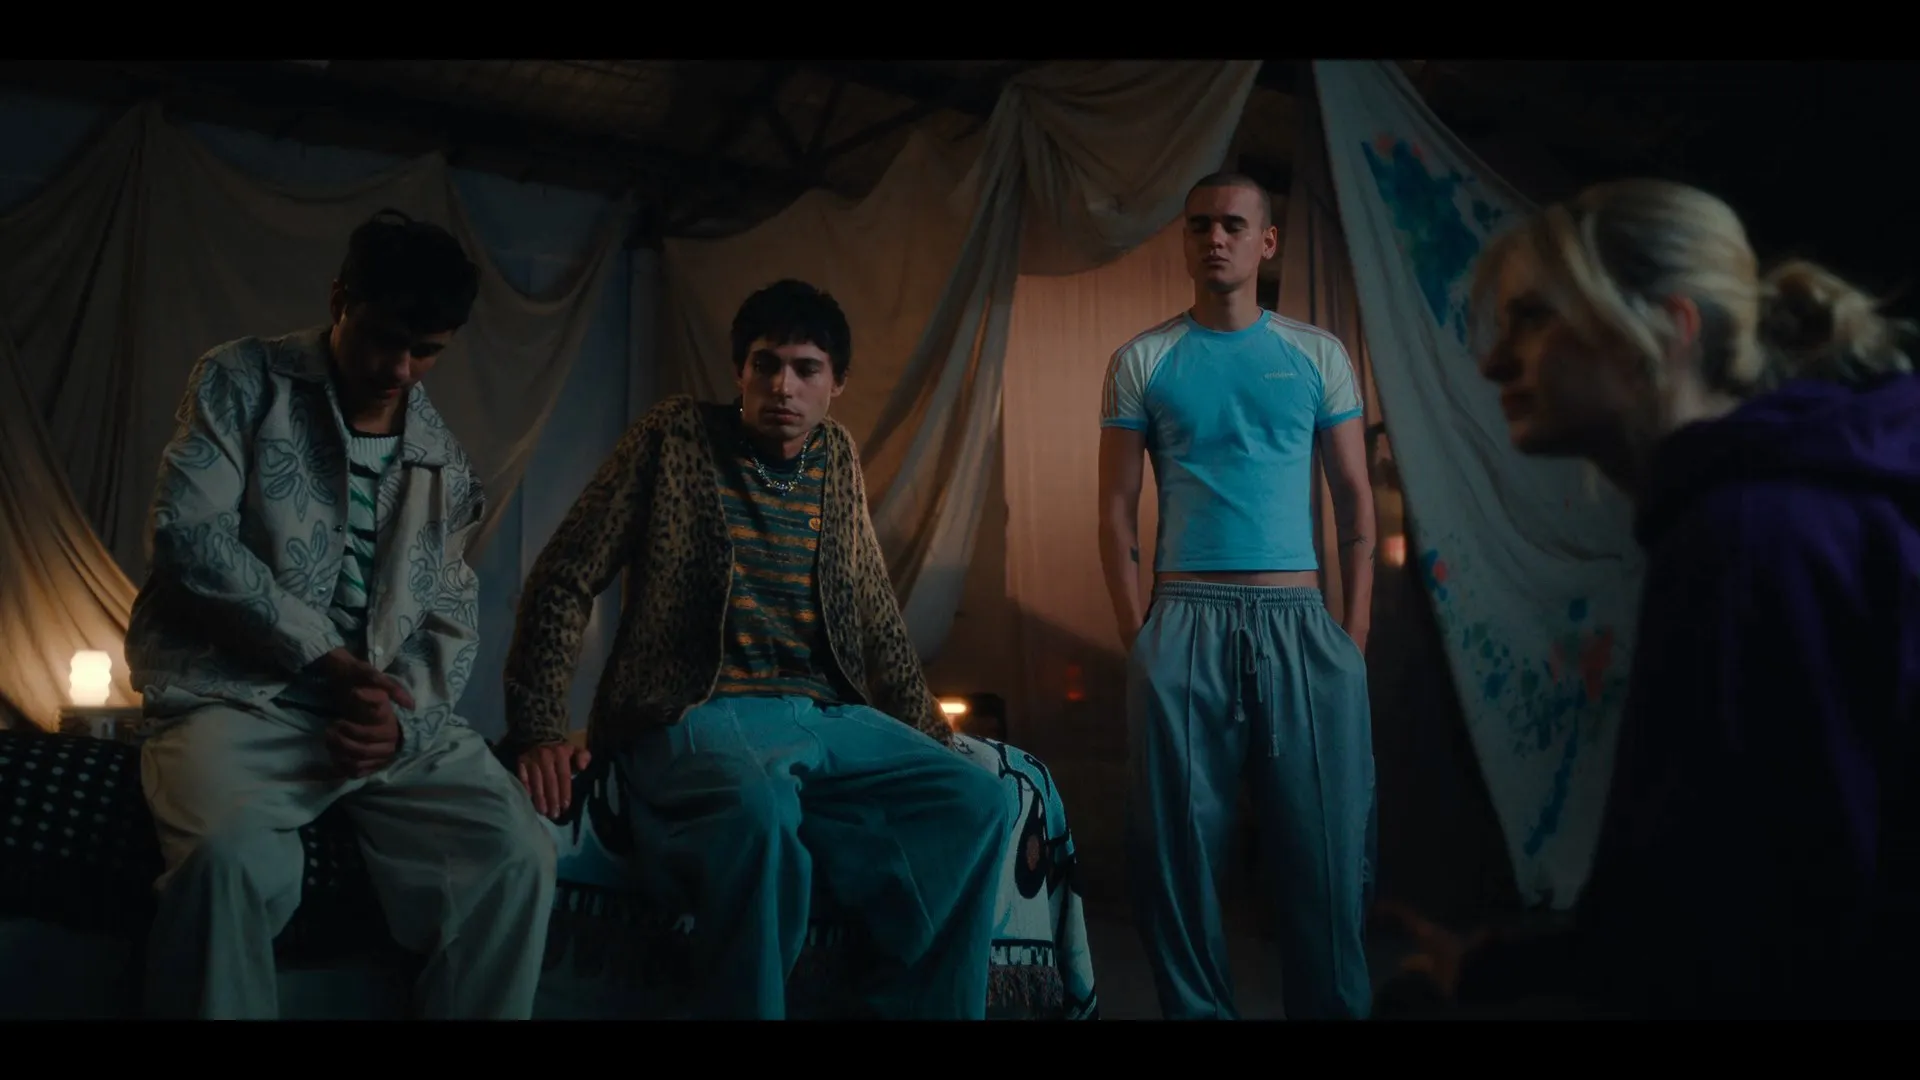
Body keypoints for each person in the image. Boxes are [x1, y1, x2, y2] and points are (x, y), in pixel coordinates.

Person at [1388, 178, 1919, 1018]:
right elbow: (1707, 875)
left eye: (1534, 318)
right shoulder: (1763, 509)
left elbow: (1786, 934)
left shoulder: (1751, 537)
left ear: (1670, 328)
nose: (1493, 362)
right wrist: (1509, 969)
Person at [501, 278, 1015, 1020]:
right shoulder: (676, 436)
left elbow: (874, 607)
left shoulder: (835, 456)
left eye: (806, 369)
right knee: (759, 811)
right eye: (765, 365)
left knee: (978, 798)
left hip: (822, 713)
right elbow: (564, 573)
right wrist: (540, 727)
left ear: (836, 383)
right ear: (739, 371)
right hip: (695, 708)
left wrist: (931, 734)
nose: (783, 387)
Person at [126, 209, 557, 1020]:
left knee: (520, 856)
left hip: (381, 723)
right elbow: (187, 535)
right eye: (384, 339)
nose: (400, 369)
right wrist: (323, 657)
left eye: (426, 351)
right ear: (339, 301)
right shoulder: (242, 380)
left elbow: (450, 613)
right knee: (224, 864)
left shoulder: (443, 459)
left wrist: (402, 722)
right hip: (239, 700)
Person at [1098, 172, 1379, 1020]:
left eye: (1231, 224)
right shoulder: (1143, 360)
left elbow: (1356, 503)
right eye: (1199, 226)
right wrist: (1139, 640)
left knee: (1327, 858)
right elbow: (1116, 511)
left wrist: (1353, 641)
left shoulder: (1317, 355)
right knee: (1177, 857)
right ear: (1184, 241)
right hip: (1184, 620)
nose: (1214, 239)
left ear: (1267, 242)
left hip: (1301, 624)